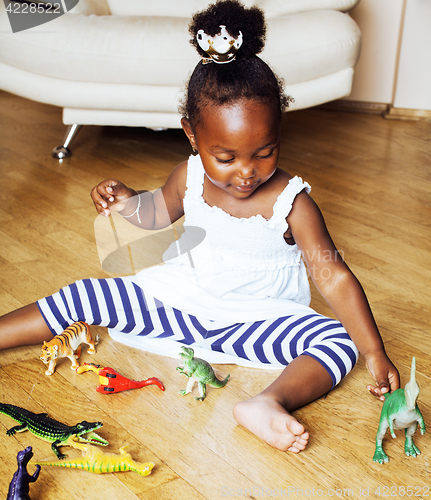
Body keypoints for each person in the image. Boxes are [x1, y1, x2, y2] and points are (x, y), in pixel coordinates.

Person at [0, 0, 399, 453]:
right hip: (180, 299)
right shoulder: (187, 176)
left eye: (265, 152)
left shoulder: (293, 203)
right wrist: (127, 202)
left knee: (338, 340)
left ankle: (269, 402)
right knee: (87, 295)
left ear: (279, 131)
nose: (246, 171)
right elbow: (155, 214)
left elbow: (334, 277)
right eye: (225, 158)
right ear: (192, 134)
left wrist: (373, 352)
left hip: (257, 319)